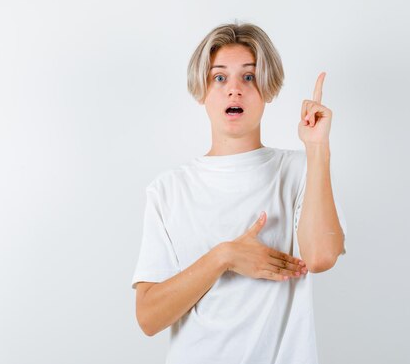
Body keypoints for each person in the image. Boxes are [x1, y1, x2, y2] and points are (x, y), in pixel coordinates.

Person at [130, 21, 348, 364]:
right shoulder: (168, 191)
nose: (234, 89)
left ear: (268, 88)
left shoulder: (298, 170)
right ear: (202, 90)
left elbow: (321, 257)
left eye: (248, 77)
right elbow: (148, 317)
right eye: (220, 77)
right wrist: (224, 257)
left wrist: (318, 147)